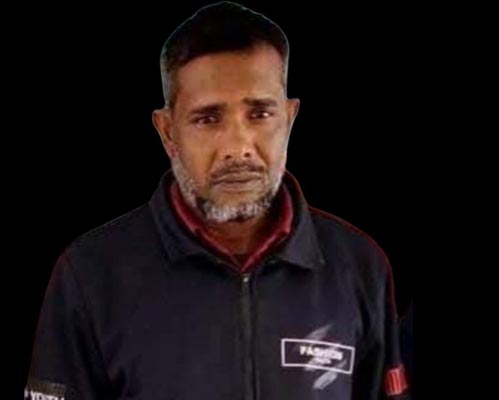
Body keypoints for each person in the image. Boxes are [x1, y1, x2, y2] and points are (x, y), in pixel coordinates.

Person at [25, 2, 409, 399]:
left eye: (260, 114)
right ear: (167, 131)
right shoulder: (90, 275)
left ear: (289, 118)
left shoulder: (360, 267)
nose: (238, 147)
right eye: (208, 119)